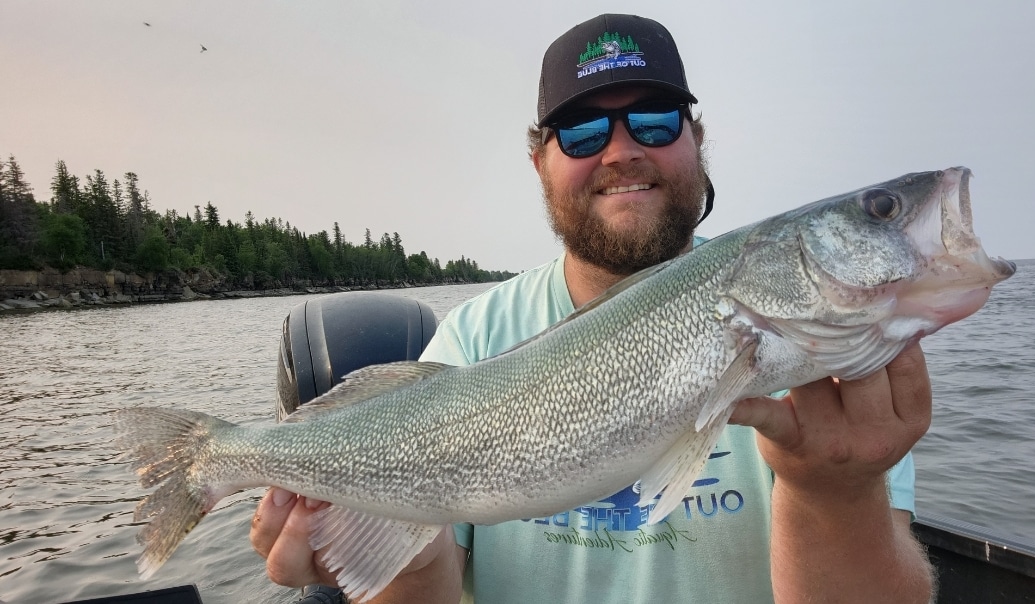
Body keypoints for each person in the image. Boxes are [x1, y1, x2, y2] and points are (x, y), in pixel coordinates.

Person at [251, 13, 936, 603]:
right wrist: (399, 557)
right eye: (581, 132)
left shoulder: (830, 356)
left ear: (696, 140)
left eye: (654, 121)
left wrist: (833, 494)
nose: (621, 151)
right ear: (539, 163)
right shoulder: (473, 338)